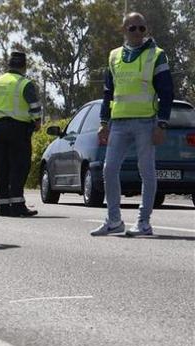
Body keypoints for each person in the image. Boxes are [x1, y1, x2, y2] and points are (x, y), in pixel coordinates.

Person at [91, 12, 174, 237]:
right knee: (109, 169)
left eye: (141, 28)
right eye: (133, 28)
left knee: (146, 171)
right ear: (124, 30)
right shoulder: (114, 56)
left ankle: (143, 222)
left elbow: (167, 92)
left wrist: (162, 124)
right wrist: (103, 122)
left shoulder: (157, 55)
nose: (138, 32)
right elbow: (108, 92)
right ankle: (114, 220)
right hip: (118, 123)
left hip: (146, 123)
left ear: (145, 30)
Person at [0, 51, 42, 217]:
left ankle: (3, 207)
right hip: (18, 129)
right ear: (24, 66)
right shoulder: (25, 83)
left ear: (9, 65)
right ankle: (18, 205)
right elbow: (34, 106)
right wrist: (37, 122)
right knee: (19, 166)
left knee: (2, 168)